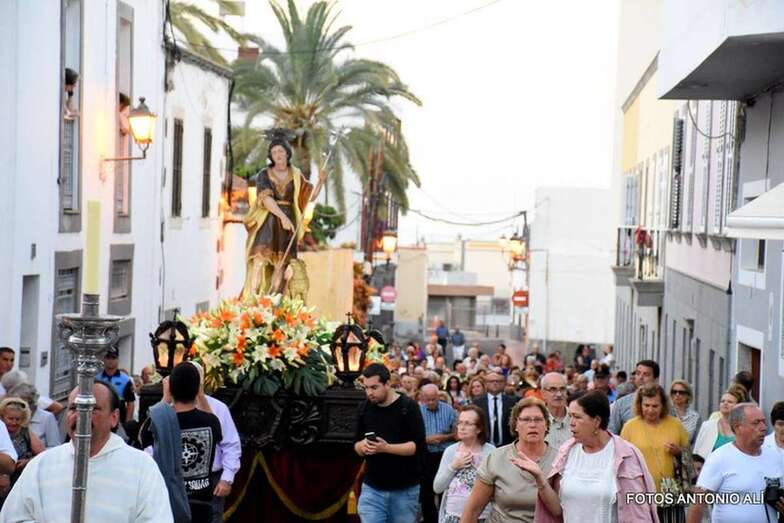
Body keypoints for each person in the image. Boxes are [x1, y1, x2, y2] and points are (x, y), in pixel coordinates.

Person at [0, 381, 173, 522]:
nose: (81, 415)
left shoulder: (141, 467)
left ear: (114, 417)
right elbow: (13, 517)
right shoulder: (41, 465)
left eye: (92, 408)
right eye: (74, 408)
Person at [535, 391, 659, 523]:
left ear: (597, 421)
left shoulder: (626, 455)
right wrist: (539, 478)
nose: (571, 423)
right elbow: (557, 510)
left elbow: (638, 512)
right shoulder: (567, 451)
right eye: (570, 416)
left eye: (577, 417)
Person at [242, 134, 325, 298]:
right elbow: (266, 199)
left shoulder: (296, 175)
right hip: (268, 222)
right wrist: (282, 217)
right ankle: (253, 300)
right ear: (270, 156)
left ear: (287, 153)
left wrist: (321, 181)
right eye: (274, 152)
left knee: (281, 265)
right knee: (259, 260)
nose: (278, 155)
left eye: (280, 151)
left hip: (289, 225)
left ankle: (271, 303)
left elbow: (309, 197)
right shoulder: (264, 175)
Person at [141, 363, 222, 522]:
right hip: (202, 506)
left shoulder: (161, 421)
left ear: (171, 388)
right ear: (197, 389)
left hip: (169, 502)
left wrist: (165, 398)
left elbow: (142, 436)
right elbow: (217, 428)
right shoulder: (210, 421)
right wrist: (201, 395)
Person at [461, 397, 561, 522]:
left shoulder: (559, 460)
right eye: (525, 420)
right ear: (516, 425)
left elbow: (561, 511)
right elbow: (473, 510)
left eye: (538, 419)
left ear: (546, 425)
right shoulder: (496, 458)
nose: (532, 424)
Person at [687, 403, 784, 523]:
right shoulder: (720, 457)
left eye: (764, 422)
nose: (763, 427)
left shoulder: (775, 457)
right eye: (756, 422)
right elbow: (698, 503)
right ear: (738, 427)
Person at [354, 363, 426, 523]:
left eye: (374, 387)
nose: (369, 393)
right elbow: (356, 445)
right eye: (366, 388)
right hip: (372, 488)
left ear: (387, 384)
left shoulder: (408, 407)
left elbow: (416, 446)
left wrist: (386, 448)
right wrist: (363, 446)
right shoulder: (364, 408)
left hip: (404, 490)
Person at [620, 384, 689, 523]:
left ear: (663, 406)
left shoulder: (675, 425)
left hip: (670, 493)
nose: (650, 410)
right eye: (646, 405)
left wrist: (678, 452)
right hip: (640, 494)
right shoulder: (630, 426)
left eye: (655, 406)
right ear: (640, 404)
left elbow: (690, 458)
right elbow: (621, 460)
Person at [190, 362, 241, 523]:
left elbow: (231, 445)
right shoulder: (171, 408)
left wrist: (227, 478)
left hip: (212, 479)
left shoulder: (219, 408)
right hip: (182, 478)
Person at [434, 405, 494, 523]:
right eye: (460, 423)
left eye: (467, 423)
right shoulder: (451, 451)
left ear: (479, 428)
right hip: (452, 516)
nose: (461, 427)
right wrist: (453, 466)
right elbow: (437, 487)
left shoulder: (490, 451)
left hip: (483, 517)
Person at [419, 384, 457, 523]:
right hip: (426, 455)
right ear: (422, 398)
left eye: (434, 399)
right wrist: (426, 439)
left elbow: (457, 434)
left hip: (444, 455)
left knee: (445, 488)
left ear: (438, 396)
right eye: (427, 399)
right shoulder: (418, 411)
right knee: (426, 491)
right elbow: (412, 435)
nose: (431, 402)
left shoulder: (449, 410)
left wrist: (443, 437)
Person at [0, 398, 43, 496]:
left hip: (21, 477)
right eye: (10, 418)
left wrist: (28, 462)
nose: (14, 423)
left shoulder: (25, 432)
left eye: (17, 419)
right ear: (3, 417)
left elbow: (43, 454)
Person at [608, 359, 659, 434]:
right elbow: (612, 433)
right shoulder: (621, 404)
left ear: (656, 379)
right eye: (638, 374)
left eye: (646, 374)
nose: (641, 377)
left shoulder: (665, 404)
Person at [693, 388, 743, 460]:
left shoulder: (743, 427)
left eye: (730, 402)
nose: (725, 403)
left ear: (738, 406)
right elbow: (696, 451)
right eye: (722, 401)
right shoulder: (707, 425)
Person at [8, 383, 61, 448]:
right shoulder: (13, 418)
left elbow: (55, 446)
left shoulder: (47, 417)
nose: (17, 408)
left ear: (32, 403)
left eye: (21, 405)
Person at [473, 371, 516, 447]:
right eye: (491, 381)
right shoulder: (477, 403)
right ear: (486, 384)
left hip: (507, 445)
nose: (495, 383)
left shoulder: (512, 402)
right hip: (484, 446)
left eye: (499, 381)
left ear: (504, 384)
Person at [98, 345, 135, 424]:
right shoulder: (97, 379)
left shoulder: (125, 380)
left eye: (113, 358)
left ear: (118, 359)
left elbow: (130, 403)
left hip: (119, 420)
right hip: (101, 418)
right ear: (103, 359)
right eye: (108, 357)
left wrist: (127, 422)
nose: (110, 360)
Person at [541, 372, 571, 450]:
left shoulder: (578, 418)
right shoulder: (535, 420)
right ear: (543, 393)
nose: (559, 394)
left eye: (562, 389)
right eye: (553, 389)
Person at [670, 380, 701, 446]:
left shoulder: (695, 417)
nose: (677, 394)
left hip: (686, 454)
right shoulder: (665, 413)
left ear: (688, 395)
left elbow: (696, 443)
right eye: (674, 392)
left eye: (681, 392)